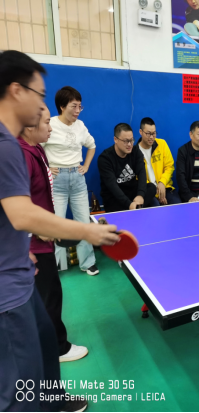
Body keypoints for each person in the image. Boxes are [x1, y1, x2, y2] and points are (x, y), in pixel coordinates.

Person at [0, 50, 118, 413]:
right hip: (7, 292)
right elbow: (22, 214)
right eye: (39, 95)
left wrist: (21, 248)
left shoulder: (13, 144)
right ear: (16, 91)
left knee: (45, 341)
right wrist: (88, 232)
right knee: (18, 387)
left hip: (20, 273)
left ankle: (53, 401)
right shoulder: (7, 147)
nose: (43, 107)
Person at [19, 105, 88, 364]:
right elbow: (14, 206)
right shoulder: (22, 156)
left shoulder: (37, 149)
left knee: (49, 295)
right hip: (33, 245)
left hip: (42, 240)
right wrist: (33, 235)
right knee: (49, 297)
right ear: (30, 125)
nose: (51, 128)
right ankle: (58, 348)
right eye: (47, 123)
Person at [42, 86, 99, 276]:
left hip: (77, 178)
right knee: (56, 224)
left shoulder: (80, 126)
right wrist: (47, 168)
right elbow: (36, 147)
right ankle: (57, 265)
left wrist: (86, 166)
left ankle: (88, 263)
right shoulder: (50, 124)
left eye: (80, 106)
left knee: (83, 222)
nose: (77, 111)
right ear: (62, 106)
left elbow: (91, 146)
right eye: (74, 106)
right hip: (56, 180)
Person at [98, 123, 157, 213]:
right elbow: (113, 186)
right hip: (115, 197)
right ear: (115, 139)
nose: (129, 144)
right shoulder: (105, 159)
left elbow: (142, 173)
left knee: (152, 187)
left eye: (131, 140)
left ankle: (135, 208)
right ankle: (135, 209)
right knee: (113, 200)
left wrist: (140, 195)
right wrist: (129, 204)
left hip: (132, 193)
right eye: (126, 141)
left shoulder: (136, 151)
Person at [137, 117, 181, 206]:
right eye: (148, 134)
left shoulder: (162, 144)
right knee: (155, 207)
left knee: (177, 205)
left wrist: (162, 182)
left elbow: (170, 166)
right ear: (141, 132)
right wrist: (157, 192)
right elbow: (137, 178)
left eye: (154, 133)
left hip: (165, 186)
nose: (151, 137)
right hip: (148, 191)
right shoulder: (135, 152)